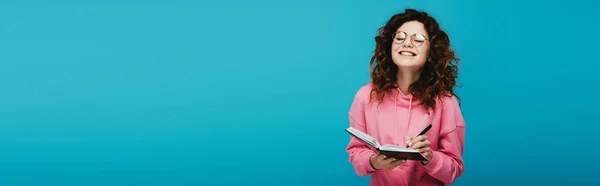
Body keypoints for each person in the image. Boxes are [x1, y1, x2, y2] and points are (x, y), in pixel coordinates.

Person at [345, 8, 466, 186]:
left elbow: (454, 169)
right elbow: (356, 152)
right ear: (389, 47)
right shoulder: (366, 96)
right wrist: (374, 161)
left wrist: (430, 157)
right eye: (400, 38)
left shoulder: (445, 103)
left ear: (431, 54)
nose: (407, 43)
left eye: (417, 40)